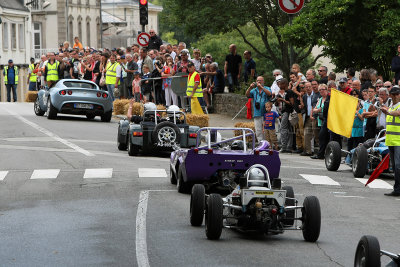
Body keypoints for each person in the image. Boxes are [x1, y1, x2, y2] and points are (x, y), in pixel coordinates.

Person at [381, 86, 400, 196]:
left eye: (398, 94)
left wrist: (387, 111)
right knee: (394, 166)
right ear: (391, 96)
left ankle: (398, 189)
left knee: (398, 166)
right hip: (391, 141)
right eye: (395, 94)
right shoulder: (391, 107)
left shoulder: (393, 108)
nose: (397, 96)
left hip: (399, 141)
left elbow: (397, 113)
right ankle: (397, 189)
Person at [245, 76, 272, 142]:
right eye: (257, 80)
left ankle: (267, 143)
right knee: (258, 130)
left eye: (260, 80)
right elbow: (247, 95)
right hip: (257, 113)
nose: (259, 82)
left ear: (263, 81)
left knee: (266, 130)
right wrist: (250, 87)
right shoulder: (254, 90)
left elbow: (269, 94)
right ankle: (260, 143)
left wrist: (262, 87)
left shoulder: (267, 88)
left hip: (266, 113)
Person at [275, 78, 295, 153]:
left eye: (280, 84)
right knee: (289, 129)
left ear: (284, 84)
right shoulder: (283, 92)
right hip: (283, 112)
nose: (279, 86)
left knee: (283, 129)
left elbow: (291, 103)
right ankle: (288, 147)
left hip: (287, 112)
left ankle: (284, 146)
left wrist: (283, 100)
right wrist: (277, 101)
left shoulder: (289, 92)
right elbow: (277, 104)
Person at [311, 84, 329, 159]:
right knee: (323, 137)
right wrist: (318, 110)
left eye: (323, 89)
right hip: (321, 120)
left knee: (322, 136)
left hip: (328, 120)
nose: (321, 91)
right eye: (320, 90)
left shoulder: (330, 98)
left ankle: (321, 154)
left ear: (326, 90)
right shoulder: (320, 99)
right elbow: (314, 109)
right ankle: (322, 153)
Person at [301, 82, 318, 156]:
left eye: (309, 86)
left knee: (316, 134)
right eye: (306, 87)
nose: (308, 88)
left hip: (315, 117)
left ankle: (321, 150)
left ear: (312, 87)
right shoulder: (304, 96)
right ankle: (308, 151)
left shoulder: (315, 95)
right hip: (308, 117)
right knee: (306, 134)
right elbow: (305, 107)